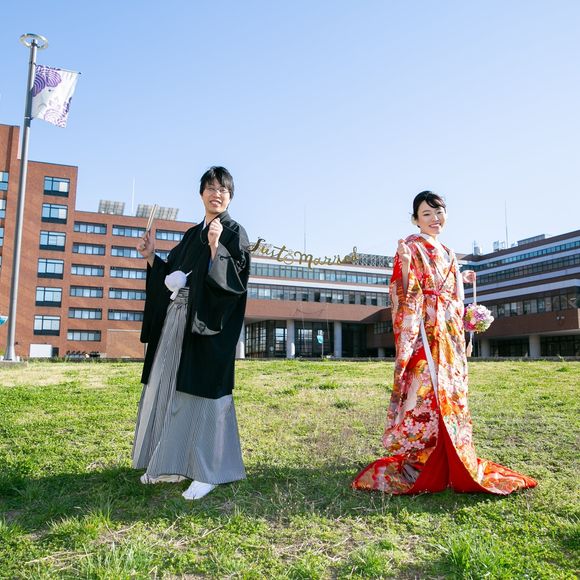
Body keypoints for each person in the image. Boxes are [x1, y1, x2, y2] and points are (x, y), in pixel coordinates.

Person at [352, 191, 537, 495]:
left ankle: (452, 450)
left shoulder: (449, 251)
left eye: (439, 212)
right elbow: (406, 290)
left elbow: (450, 290)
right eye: (426, 214)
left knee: (451, 389)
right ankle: (426, 455)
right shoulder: (412, 246)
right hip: (426, 329)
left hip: (449, 330)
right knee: (426, 388)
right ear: (415, 219)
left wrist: (463, 287)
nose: (434, 219)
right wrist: (407, 264)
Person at [132, 166, 250, 500]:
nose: (217, 194)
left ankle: (209, 470)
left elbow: (235, 282)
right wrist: (151, 256)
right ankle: (172, 464)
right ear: (201, 194)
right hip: (177, 322)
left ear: (230, 196)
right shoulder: (190, 234)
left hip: (208, 326)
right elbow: (172, 274)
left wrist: (215, 249)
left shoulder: (233, 232)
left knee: (208, 394)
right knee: (172, 390)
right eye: (211, 188)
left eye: (223, 189)